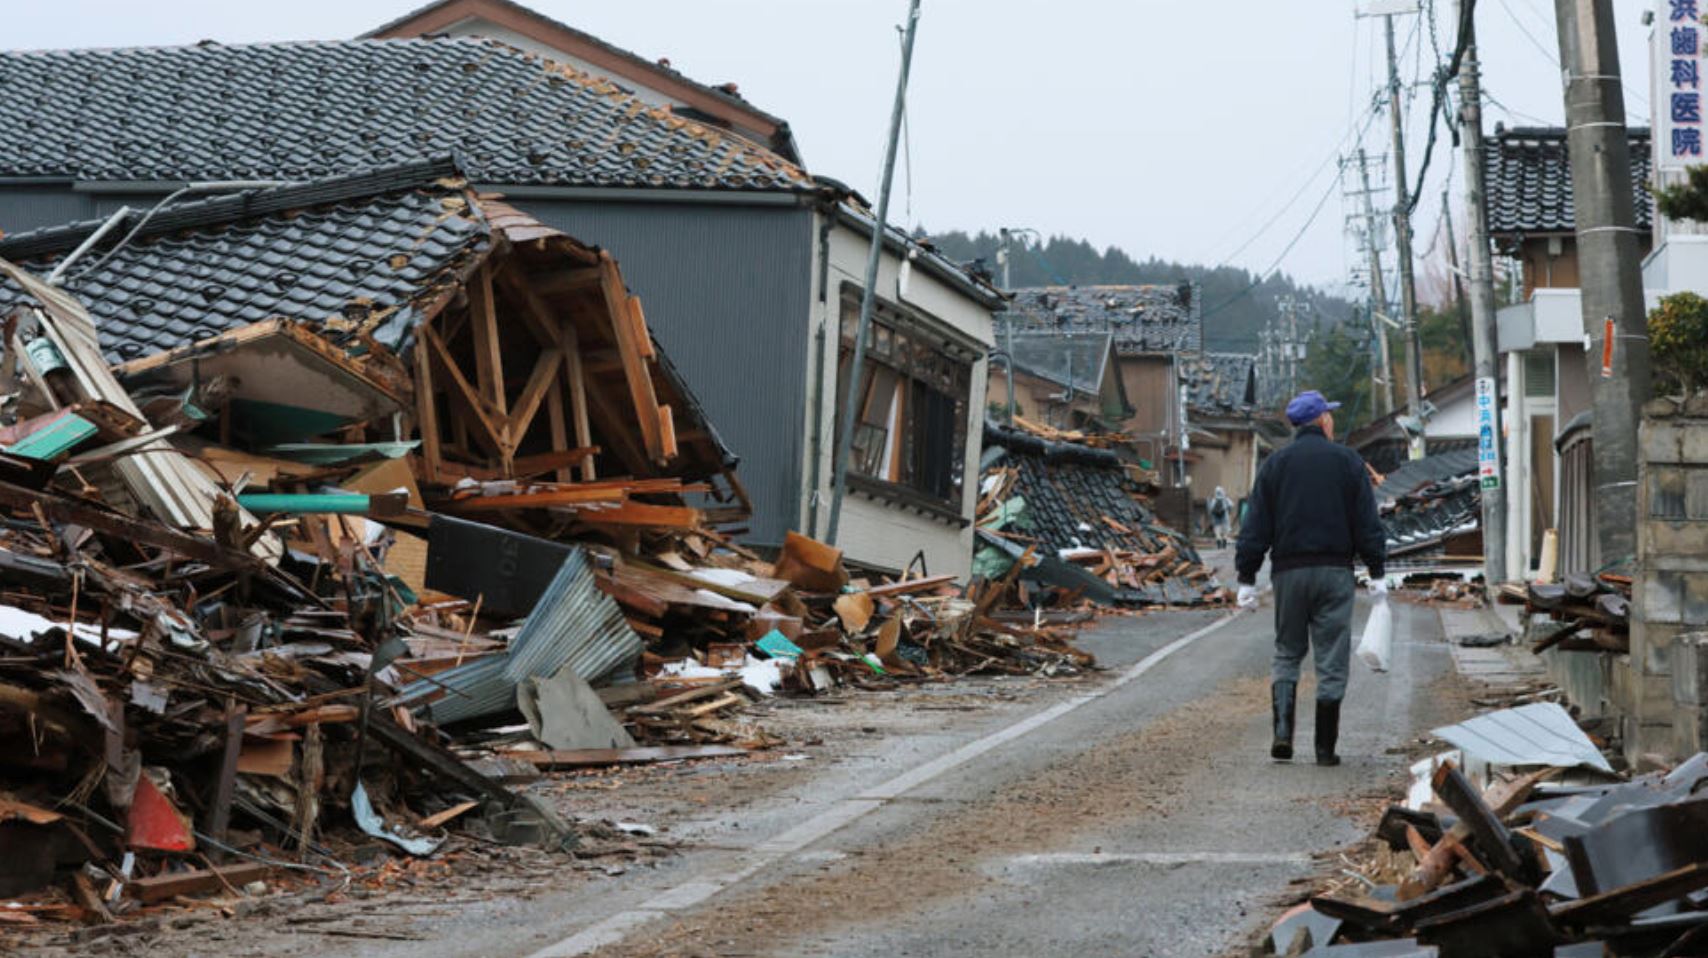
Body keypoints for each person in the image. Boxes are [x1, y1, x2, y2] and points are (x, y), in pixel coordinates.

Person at [1234, 390, 1386, 766]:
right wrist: (1377, 570)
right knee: (1331, 656)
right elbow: (1367, 523)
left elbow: (1256, 525)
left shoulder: (1275, 464)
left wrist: (1247, 577)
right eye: (1329, 415)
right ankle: (1324, 748)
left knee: (1287, 651)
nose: (1332, 420)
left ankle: (1283, 734)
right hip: (1335, 571)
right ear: (1322, 420)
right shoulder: (1348, 462)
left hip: (1288, 572)